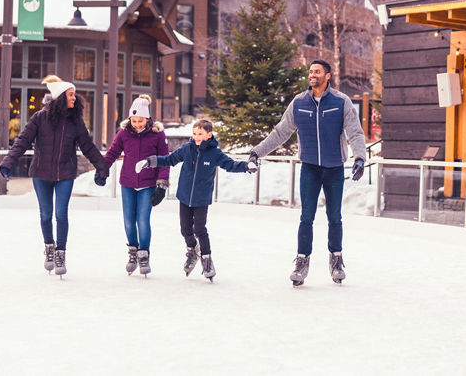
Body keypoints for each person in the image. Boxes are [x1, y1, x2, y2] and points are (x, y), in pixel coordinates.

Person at [249, 59, 366, 287]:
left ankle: (336, 260)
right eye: (311, 71)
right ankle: (302, 262)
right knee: (306, 217)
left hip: (333, 168)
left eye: (317, 71)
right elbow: (280, 132)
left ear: (327, 76)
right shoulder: (299, 103)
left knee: (335, 217)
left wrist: (360, 157)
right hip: (310, 168)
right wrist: (256, 152)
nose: (312, 75)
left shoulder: (341, 102)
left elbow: (355, 132)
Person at [0, 77, 108, 278]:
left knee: (61, 214)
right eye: (71, 94)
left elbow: (88, 146)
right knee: (46, 215)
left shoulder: (76, 122)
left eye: (74, 94)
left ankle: (60, 253)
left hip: (65, 173)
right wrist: (8, 162)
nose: (75, 98)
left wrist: (102, 168)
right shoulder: (39, 118)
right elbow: (22, 141)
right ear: (60, 97)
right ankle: (49, 246)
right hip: (41, 173)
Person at [136, 118, 258, 281]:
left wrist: (246, 166)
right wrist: (150, 161)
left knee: (200, 229)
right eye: (194, 133)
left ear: (209, 134)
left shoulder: (215, 153)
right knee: (185, 229)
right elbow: (170, 159)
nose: (196, 136)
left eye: (200, 134)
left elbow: (230, 165)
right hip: (185, 197)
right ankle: (193, 251)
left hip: (201, 199)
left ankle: (206, 259)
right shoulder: (187, 149)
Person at [98, 95, 170, 276]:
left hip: (148, 184)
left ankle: (144, 255)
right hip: (128, 183)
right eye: (134, 120)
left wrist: (161, 185)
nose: (137, 124)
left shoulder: (157, 134)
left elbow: (164, 160)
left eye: (140, 120)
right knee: (129, 221)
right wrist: (102, 170)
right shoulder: (124, 133)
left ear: (147, 119)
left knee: (143, 220)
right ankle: (133, 251)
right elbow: (113, 152)